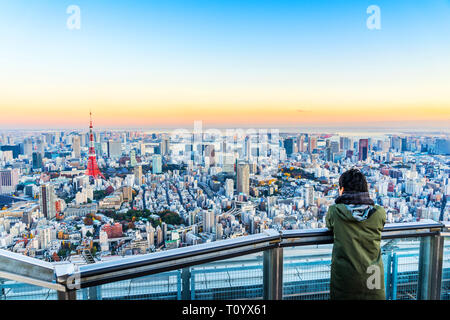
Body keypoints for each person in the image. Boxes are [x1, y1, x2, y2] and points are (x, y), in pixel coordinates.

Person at [325, 168, 386, 300]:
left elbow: (329, 224)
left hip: (345, 280)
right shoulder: (379, 213)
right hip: (373, 279)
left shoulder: (335, 212)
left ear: (342, 189)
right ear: (366, 190)